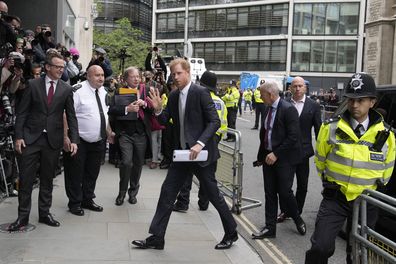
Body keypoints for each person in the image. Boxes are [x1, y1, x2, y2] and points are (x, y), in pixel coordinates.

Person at [131, 58, 237, 250]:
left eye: (179, 73)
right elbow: (164, 120)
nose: (176, 77)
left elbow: (214, 122)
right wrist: (157, 109)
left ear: (188, 73)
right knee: (167, 193)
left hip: (201, 155)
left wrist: (199, 144)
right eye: (173, 74)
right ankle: (157, 237)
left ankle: (231, 232)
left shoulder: (201, 93)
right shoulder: (173, 95)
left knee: (213, 195)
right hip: (182, 156)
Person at [305, 73, 396, 263]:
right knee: (320, 247)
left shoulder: (386, 135)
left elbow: (387, 171)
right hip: (335, 198)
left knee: (358, 254)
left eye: (360, 100)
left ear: (372, 102)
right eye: (351, 100)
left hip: (365, 202)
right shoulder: (330, 127)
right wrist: (331, 182)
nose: (354, 105)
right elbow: (321, 160)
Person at [7, 52, 79, 231]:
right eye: (57, 67)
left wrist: (73, 140)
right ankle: (22, 218)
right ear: (47, 67)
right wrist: (18, 137)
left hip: (52, 141)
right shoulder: (32, 85)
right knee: (26, 180)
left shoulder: (66, 89)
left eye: (63, 68)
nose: (61, 70)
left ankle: (44, 213)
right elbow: (22, 112)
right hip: (31, 139)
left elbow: (71, 116)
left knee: (47, 179)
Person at [251, 80, 306, 239]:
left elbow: (293, 137)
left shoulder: (288, 110)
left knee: (285, 192)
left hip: (284, 159)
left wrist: (276, 153)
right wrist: (262, 157)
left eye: (262, 95)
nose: (260, 98)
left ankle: (297, 218)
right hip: (269, 158)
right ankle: (270, 228)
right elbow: (266, 135)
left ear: (270, 94)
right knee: (269, 193)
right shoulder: (268, 109)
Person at [173, 70, 228, 212]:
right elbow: (223, 124)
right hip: (212, 141)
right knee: (207, 178)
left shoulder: (196, 95)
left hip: (195, 141)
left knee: (187, 175)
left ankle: (183, 202)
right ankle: (203, 203)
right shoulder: (220, 102)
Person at [63, 65, 108, 216]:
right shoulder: (77, 90)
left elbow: (103, 114)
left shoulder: (103, 91)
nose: (101, 78)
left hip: (98, 140)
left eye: (102, 75)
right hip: (79, 140)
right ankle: (75, 203)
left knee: (92, 173)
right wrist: (66, 136)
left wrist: (109, 132)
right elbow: (66, 114)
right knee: (75, 173)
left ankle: (87, 199)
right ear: (88, 76)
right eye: (97, 75)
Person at [277, 77, 322, 222]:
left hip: (304, 153)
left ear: (305, 88)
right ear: (290, 88)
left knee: (302, 185)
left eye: (300, 86)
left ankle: (296, 211)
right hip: (286, 152)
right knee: (284, 186)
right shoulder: (283, 103)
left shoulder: (313, 106)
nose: (297, 88)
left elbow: (319, 129)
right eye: (294, 86)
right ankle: (285, 211)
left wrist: (321, 153)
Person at [108, 67, 152, 206]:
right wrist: (127, 109)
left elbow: (154, 108)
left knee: (138, 164)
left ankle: (133, 193)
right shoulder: (119, 91)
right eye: (132, 77)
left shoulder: (146, 91)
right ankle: (121, 193)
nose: (136, 79)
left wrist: (144, 103)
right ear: (126, 79)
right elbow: (112, 110)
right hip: (125, 133)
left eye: (138, 76)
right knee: (126, 163)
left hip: (141, 133)